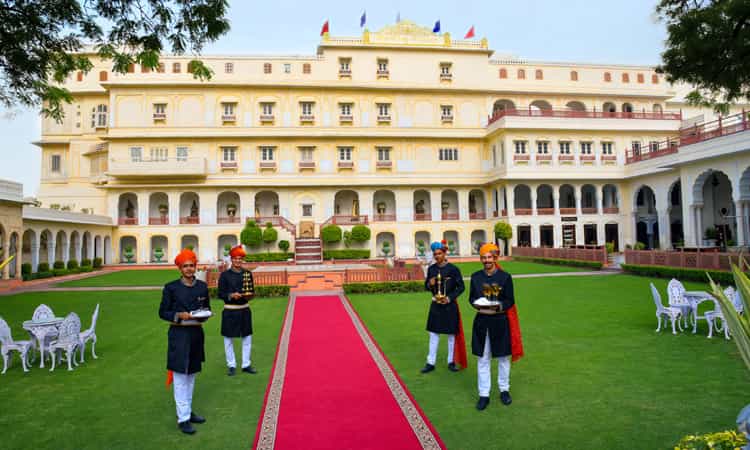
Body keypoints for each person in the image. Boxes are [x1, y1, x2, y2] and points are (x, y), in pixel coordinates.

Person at [159, 248, 211, 434]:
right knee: (180, 377)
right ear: (180, 268)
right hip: (179, 334)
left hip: (196, 334)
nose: (189, 269)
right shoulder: (171, 287)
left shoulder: (202, 287)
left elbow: (207, 309)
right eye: (185, 266)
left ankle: (187, 411)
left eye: (192, 265)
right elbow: (162, 312)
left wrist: (204, 316)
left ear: (196, 267)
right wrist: (178, 315)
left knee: (192, 376)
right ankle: (183, 418)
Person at [468, 243, 524, 411]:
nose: (486, 260)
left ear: (495, 258)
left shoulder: (505, 277)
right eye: (483, 258)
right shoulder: (476, 277)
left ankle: (504, 390)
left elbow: (509, 300)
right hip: (482, 322)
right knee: (483, 359)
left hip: (500, 321)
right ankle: (484, 394)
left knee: (503, 358)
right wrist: (478, 306)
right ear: (481, 259)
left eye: (489, 257)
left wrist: (497, 308)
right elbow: (471, 298)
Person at [421, 240, 467, 373]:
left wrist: (449, 298)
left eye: (439, 253)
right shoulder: (431, 269)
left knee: (451, 335)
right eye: (435, 254)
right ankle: (430, 362)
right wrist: (430, 283)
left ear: (445, 253)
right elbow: (426, 286)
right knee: (433, 334)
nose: (437, 256)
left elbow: (461, 287)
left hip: (449, 305)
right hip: (435, 304)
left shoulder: (453, 269)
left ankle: (451, 361)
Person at [217, 245, 257, 376]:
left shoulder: (248, 274)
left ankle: (246, 364)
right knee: (228, 339)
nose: (238, 261)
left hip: (244, 309)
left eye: (240, 259)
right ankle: (231, 365)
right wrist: (230, 295)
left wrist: (249, 296)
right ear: (232, 259)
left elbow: (251, 291)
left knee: (247, 338)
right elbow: (220, 294)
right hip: (230, 310)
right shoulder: (224, 275)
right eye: (235, 258)